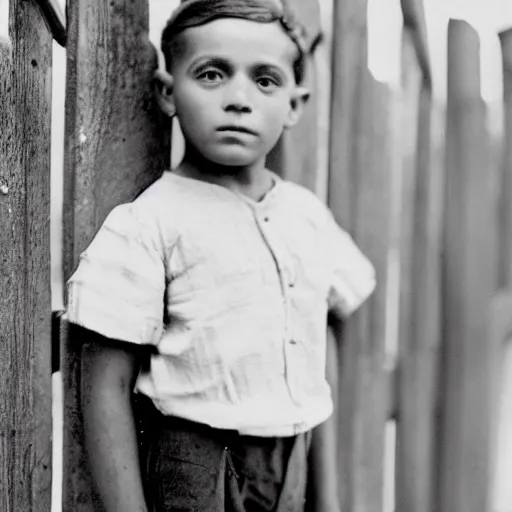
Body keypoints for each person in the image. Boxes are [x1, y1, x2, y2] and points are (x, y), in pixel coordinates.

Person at [66, 0, 376, 511]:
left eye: (265, 80)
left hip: (290, 458)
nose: (238, 98)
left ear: (295, 104)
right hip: (198, 465)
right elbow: (105, 383)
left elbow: (321, 344)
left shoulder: (306, 216)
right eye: (211, 74)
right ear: (170, 92)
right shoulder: (150, 223)